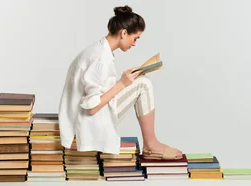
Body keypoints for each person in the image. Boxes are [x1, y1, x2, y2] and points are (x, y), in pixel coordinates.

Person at [58, 5, 183, 160]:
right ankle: (151, 144)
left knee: (140, 80)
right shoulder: (100, 58)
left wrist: (125, 81)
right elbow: (91, 108)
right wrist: (122, 84)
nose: (135, 43)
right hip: (86, 120)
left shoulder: (101, 51)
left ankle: (151, 143)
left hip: (88, 114)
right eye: (135, 38)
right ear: (124, 33)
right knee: (143, 84)